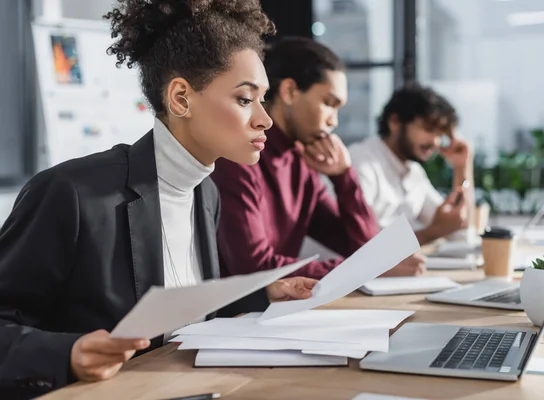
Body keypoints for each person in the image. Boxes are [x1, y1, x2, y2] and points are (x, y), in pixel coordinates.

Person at [0, 1, 319, 398]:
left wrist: (262, 294)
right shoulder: (71, 194)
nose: (264, 119)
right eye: (244, 99)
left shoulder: (205, 192)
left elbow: (179, 312)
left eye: (263, 98)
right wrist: (67, 353)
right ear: (181, 98)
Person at [211, 37, 425, 280]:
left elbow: (362, 247)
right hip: (236, 315)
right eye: (328, 103)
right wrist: (359, 269)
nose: (333, 121)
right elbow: (254, 268)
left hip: (276, 311)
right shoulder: (239, 156)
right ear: (289, 92)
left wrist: (344, 176)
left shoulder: (302, 163)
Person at [349, 84, 474, 245]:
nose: (436, 142)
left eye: (440, 134)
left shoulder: (414, 174)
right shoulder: (361, 161)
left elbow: (459, 233)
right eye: (429, 129)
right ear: (394, 122)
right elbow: (361, 247)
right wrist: (432, 232)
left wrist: (462, 167)